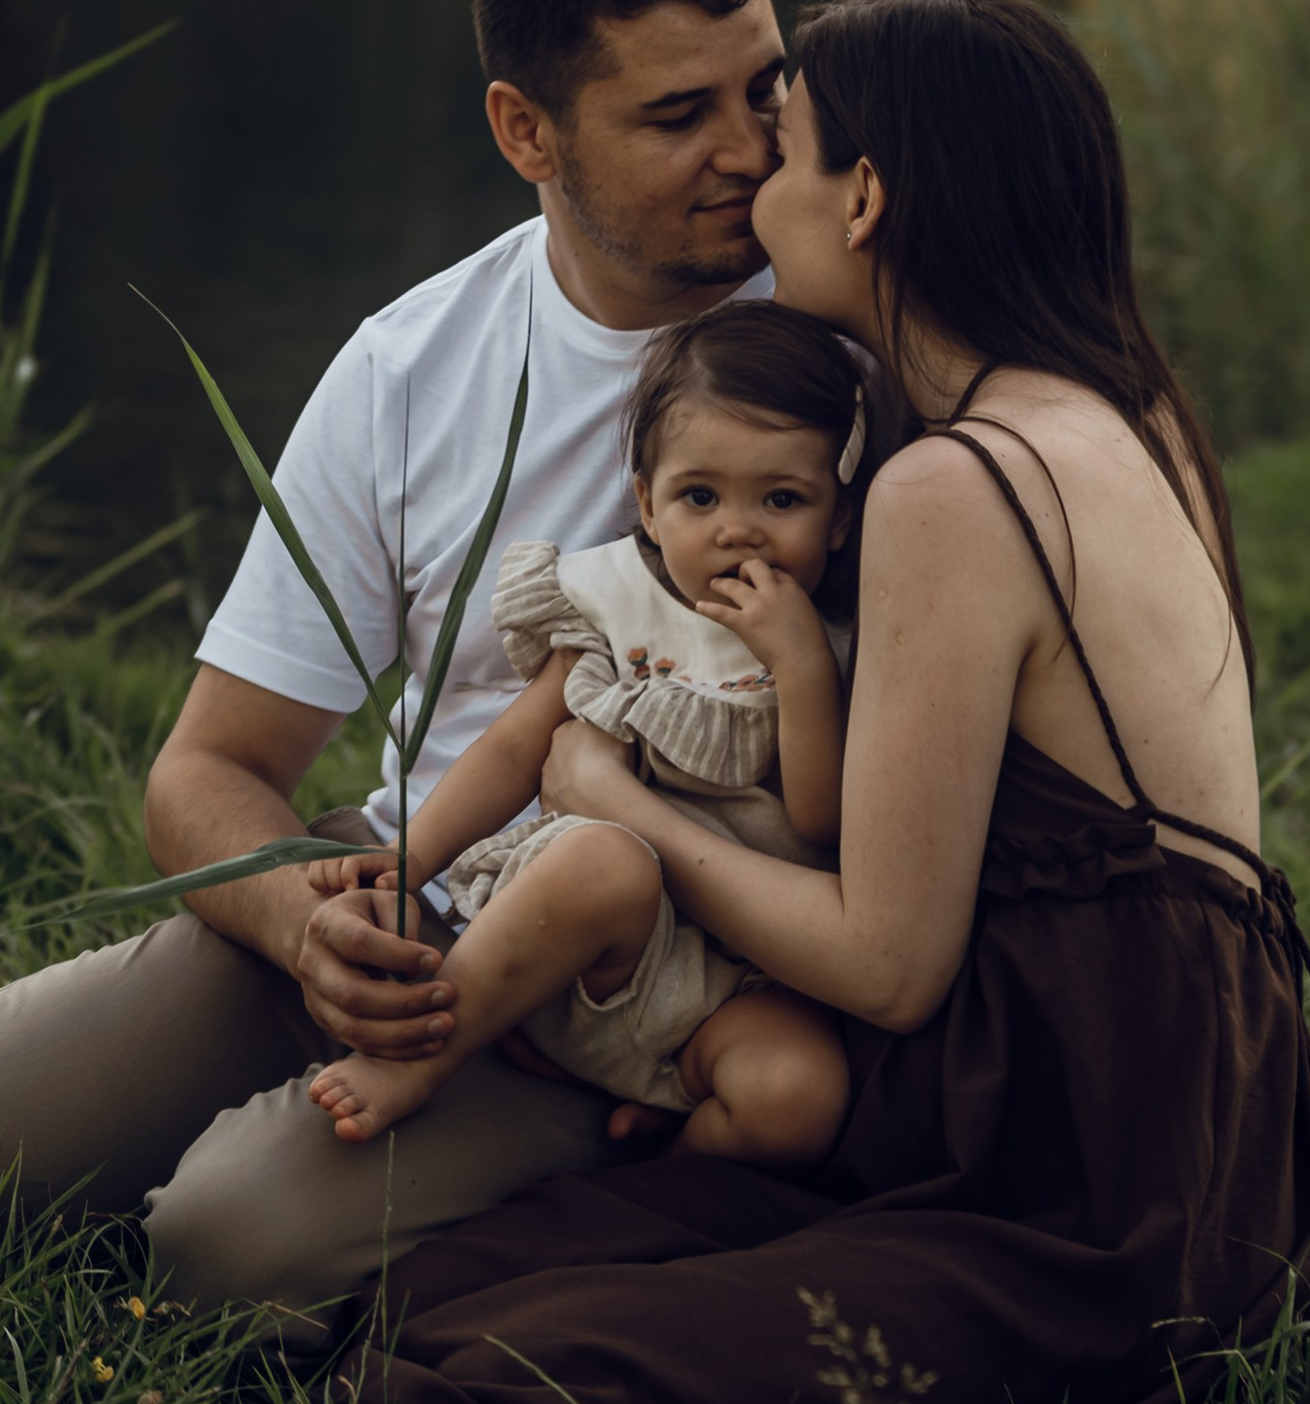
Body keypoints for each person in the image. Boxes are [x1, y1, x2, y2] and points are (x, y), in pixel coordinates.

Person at [347, 0, 1310, 1404]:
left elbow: (887, 964)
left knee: (501, 1368)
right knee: (452, 1293)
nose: (754, 175)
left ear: (868, 194)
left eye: (787, 136)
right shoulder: (1121, 404)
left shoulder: (962, 482)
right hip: (1211, 1114)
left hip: (1082, 1158)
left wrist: (623, 815)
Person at [0, 0, 788, 1327]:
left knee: (229, 1249)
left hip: (634, 986)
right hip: (402, 894)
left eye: (768, 90)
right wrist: (303, 924)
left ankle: (576, 1182)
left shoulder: (839, 345)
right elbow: (212, 768)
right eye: (678, 115)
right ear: (525, 129)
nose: (750, 151)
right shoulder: (412, 366)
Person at [302, 299, 878, 1167]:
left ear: (837, 518)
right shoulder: (616, 604)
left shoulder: (836, 645)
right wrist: (413, 858)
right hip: (583, 953)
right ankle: (424, 1053)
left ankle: (664, 1168)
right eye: (700, 495)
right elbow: (512, 747)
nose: (738, 527)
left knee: (800, 1093)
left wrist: (801, 671)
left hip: (731, 983)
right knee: (604, 860)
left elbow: (820, 824)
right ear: (647, 505)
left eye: (783, 498)